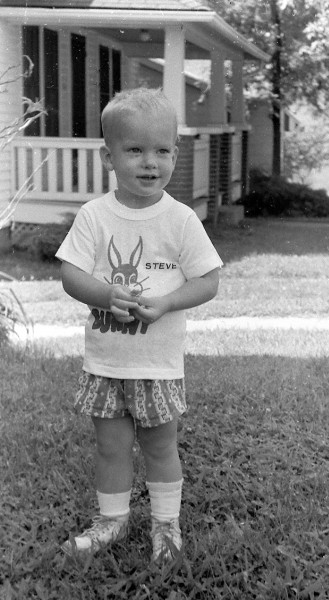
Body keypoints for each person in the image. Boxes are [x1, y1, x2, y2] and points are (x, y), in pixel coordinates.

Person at [56, 87, 222, 565]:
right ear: (108, 156)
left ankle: (166, 526)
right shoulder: (95, 216)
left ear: (175, 153)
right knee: (110, 447)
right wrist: (107, 295)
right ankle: (111, 521)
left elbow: (208, 281)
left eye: (163, 151)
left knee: (159, 444)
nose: (151, 163)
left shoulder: (181, 219)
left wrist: (168, 300)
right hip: (106, 361)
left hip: (157, 364)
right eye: (135, 150)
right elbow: (71, 274)